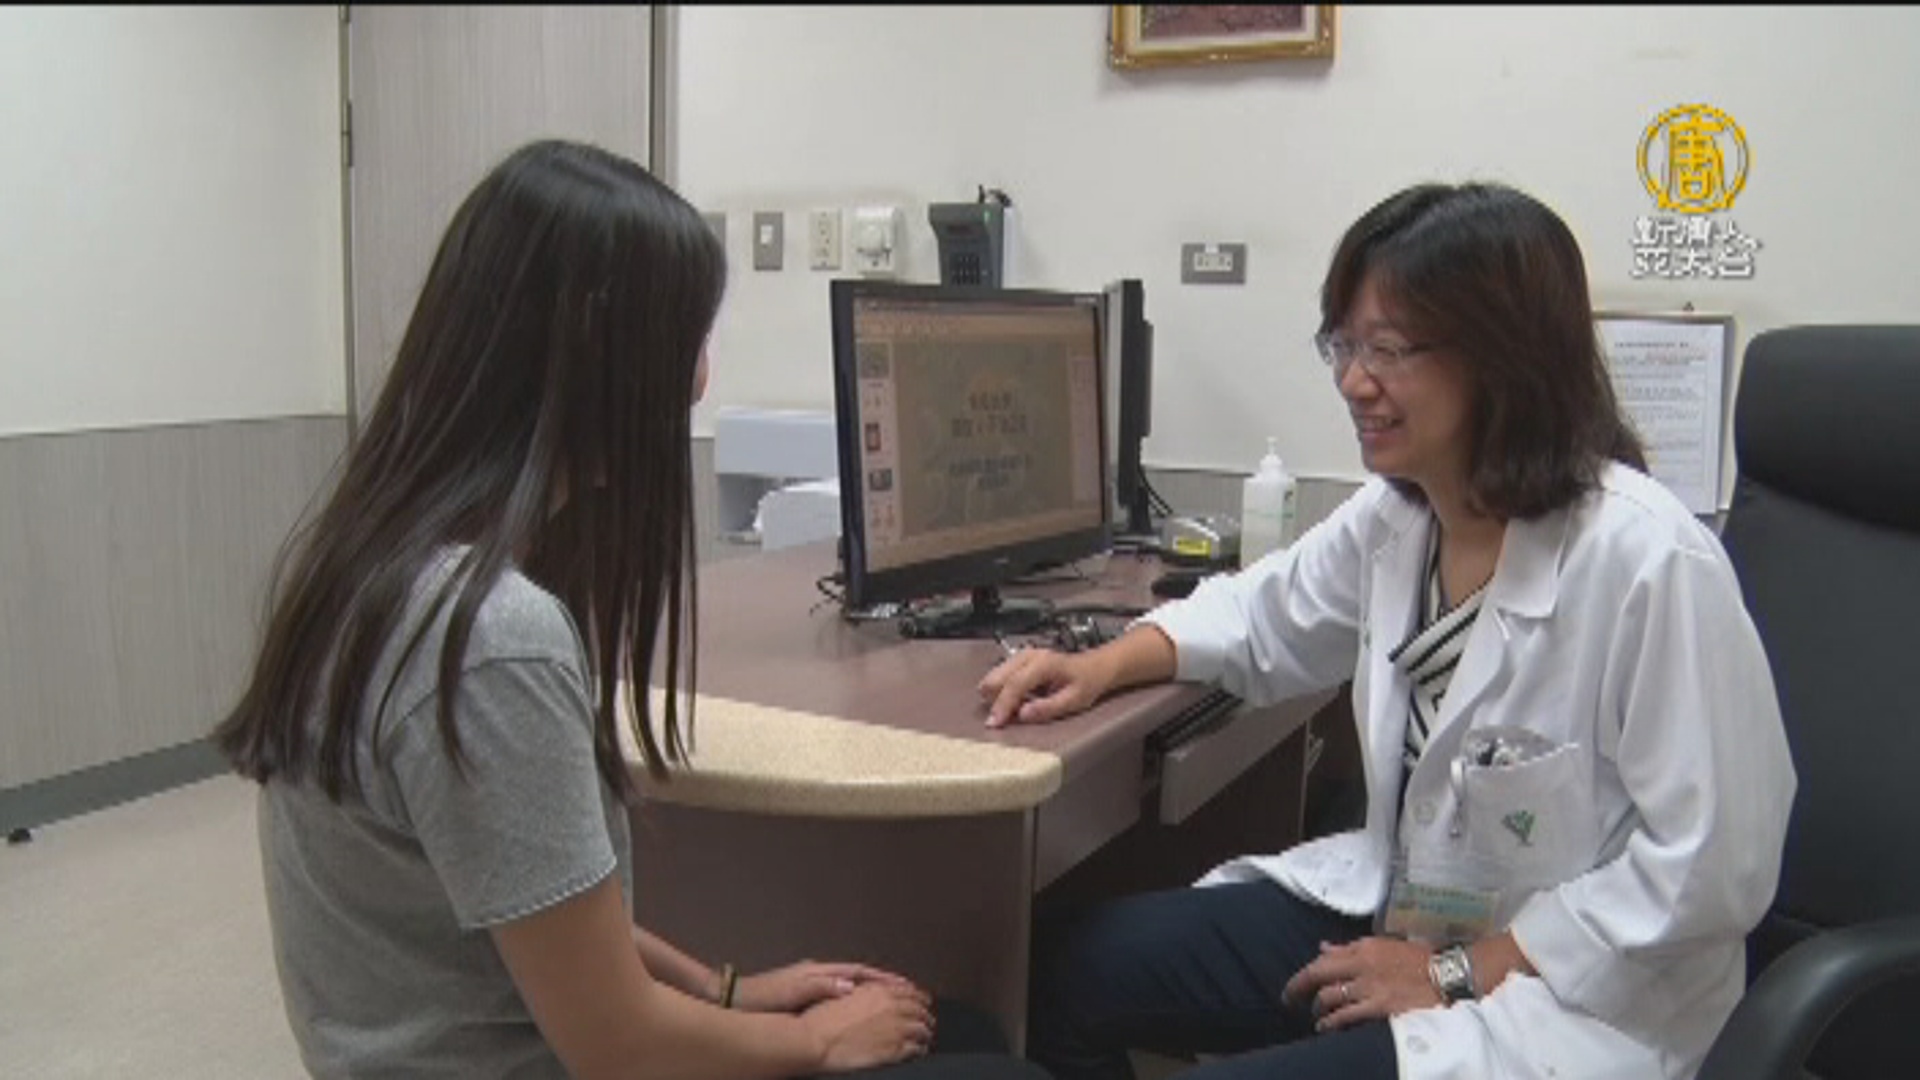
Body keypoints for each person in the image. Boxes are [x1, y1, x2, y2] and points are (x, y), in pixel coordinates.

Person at [215, 139, 1046, 1080]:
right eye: (690, 340)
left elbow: (532, 899)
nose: (699, 380)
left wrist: (726, 989)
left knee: (959, 1032)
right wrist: (817, 1041)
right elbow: (618, 1047)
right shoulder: (490, 640)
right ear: (598, 348)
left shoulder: (371, 566)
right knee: (993, 1065)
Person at [979, 182, 1796, 1080]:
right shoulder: (1402, 516)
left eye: (1390, 350)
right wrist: (1103, 665)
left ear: (1506, 358)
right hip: (1410, 912)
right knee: (1061, 970)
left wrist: (1457, 971)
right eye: (1344, 344)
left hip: (1576, 996)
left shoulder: (1647, 559)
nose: (1353, 381)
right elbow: (1262, 614)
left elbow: (1713, 868)